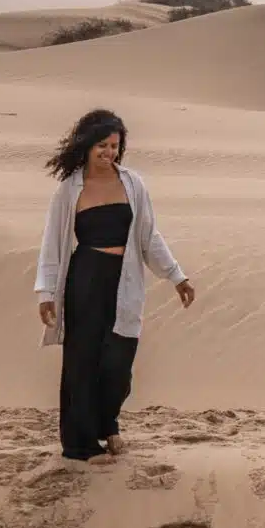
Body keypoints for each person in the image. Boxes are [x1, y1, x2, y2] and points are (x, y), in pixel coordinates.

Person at [34, 109, 196, 464]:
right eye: (102, 146)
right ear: (87, 145)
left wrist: (177, 276)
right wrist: (46, 293)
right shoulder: (69, 189)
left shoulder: (133, 184)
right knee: (82, 361)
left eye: (114, 146)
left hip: (125, 279)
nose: (109, 152)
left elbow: (149, 236)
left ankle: (108, 424)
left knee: (118, 363)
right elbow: (52, 243)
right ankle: (81, 445)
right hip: (86, 280)